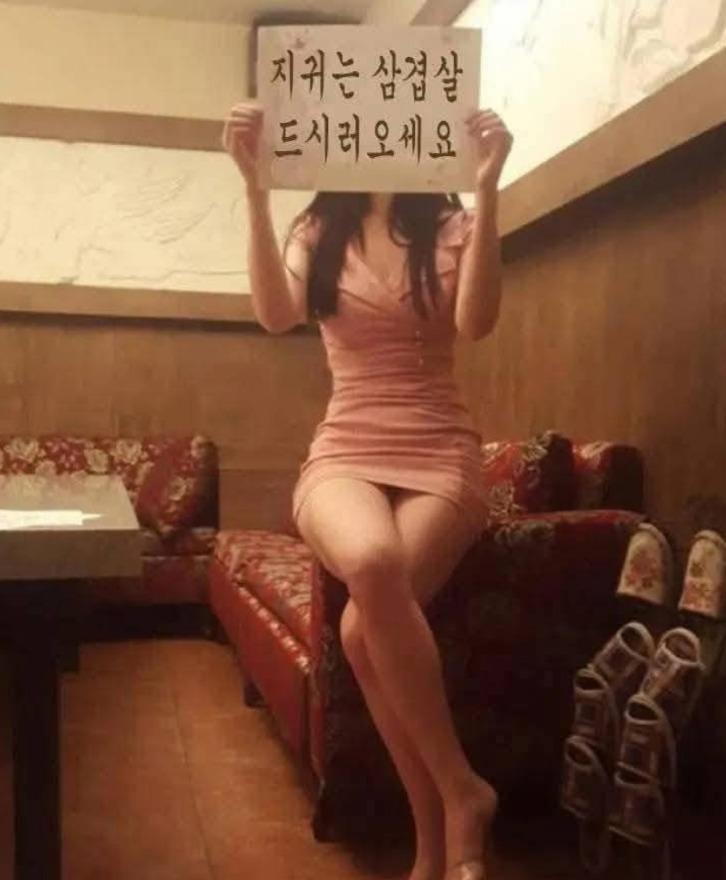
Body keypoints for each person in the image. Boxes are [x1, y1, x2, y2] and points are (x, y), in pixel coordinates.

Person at [222, 99, 512, 880]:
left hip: (439, 451)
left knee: (361, 630)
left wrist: (488, 189)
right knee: (375, 563)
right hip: (345, 450)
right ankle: (463, 790)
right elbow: (274, 315)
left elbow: (478, 322)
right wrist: (254, 187)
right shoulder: (317, 230)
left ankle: (431, 845)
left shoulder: (452, 226)